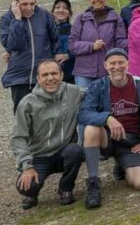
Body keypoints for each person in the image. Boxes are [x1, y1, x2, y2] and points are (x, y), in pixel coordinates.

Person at [78, 48, 140, 208]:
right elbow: (84, 113)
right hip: (108, 140)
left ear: (128, 64)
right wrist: (107, 118)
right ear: (105, 65)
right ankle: (93, 184)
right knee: (91, 129)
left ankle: (123, 164)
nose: (117, 66)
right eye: (112, 63)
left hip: (132, 143)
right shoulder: (98, 86)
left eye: (121, 62)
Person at [11, 60, 85, 210]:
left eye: (54, 73)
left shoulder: (74, 92)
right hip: (38, 156)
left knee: (76, 151)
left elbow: (97, 92)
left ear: (62, 75)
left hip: (63, 152)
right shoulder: (27, 103)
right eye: (45, 75)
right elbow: (18, 138)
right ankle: (32, 193)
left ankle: (66, 188)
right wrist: (26, 166)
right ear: (38, 78)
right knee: (26, 187)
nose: (50, 78)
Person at [0, 0, 63, 112]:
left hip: (44, 77)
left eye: (32, 4)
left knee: (47, 115)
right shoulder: (7, 19)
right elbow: (12, 45)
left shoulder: (45, 15)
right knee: (22, 116)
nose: (29, 8)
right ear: (16, 4)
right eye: (24, 4)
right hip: (20, 78)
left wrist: (55, 58)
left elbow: (55, 39)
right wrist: (17, 20)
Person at [69, 0, 128, 90]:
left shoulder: (116, 19)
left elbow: (120, 42)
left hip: (108, 71)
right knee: (85, 103)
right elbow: (72, 45)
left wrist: (134, 43)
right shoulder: (81, 19)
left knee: (107, 103)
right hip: (84, 72)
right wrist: (92, 46)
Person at [52, 0, 76, 84]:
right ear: (52, 11)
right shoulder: (46, 30)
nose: (61, 10)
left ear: (69, 13)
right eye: (57, 7)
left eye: (65, 8)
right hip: (51, 74)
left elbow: (81, 49)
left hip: (70, 74)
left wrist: (69, 56)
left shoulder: (75, 30)